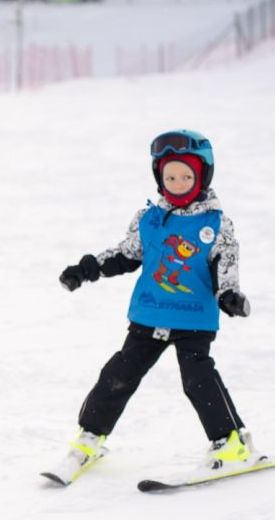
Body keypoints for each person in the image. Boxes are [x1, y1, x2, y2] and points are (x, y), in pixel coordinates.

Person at [51, 129, 256, 483]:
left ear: (202, 176)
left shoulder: (215, 224)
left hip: (193, 319)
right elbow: (125, 254)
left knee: (198, 380)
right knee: (118, 375)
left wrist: (229, 296)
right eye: (169, 177)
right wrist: (86, 270)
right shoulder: (149, 218)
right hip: (149, 314)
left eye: (186, 177)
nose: (177, 184)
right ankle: (90, 438)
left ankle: (231, 442)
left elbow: (225, 264)